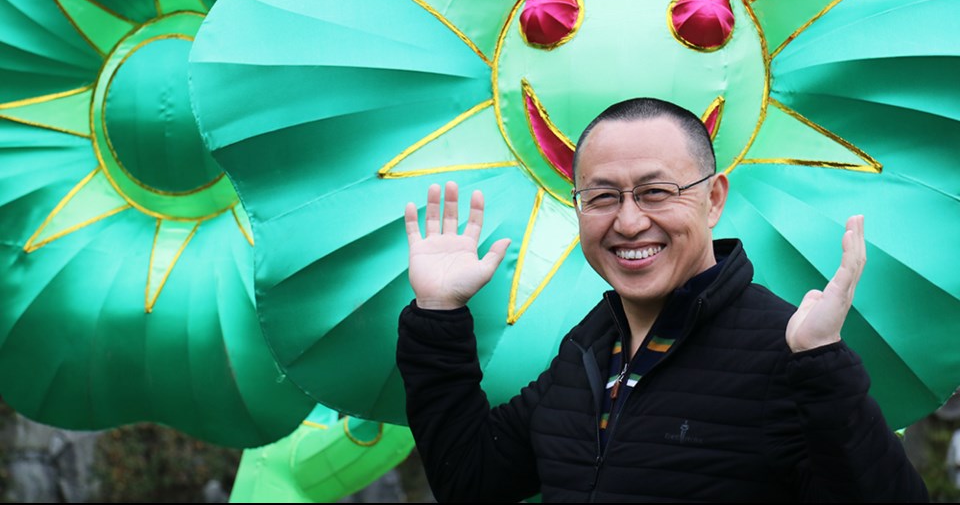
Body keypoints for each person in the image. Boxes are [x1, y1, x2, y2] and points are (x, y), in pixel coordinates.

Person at [396, 97, 929, 502]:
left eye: (656, 193)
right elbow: (470, 480)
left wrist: (823, 366)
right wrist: (438, 315)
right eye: (602, 197)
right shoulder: (585, 353)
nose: (628, 222)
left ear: (713, 198)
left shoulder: (791, 352)